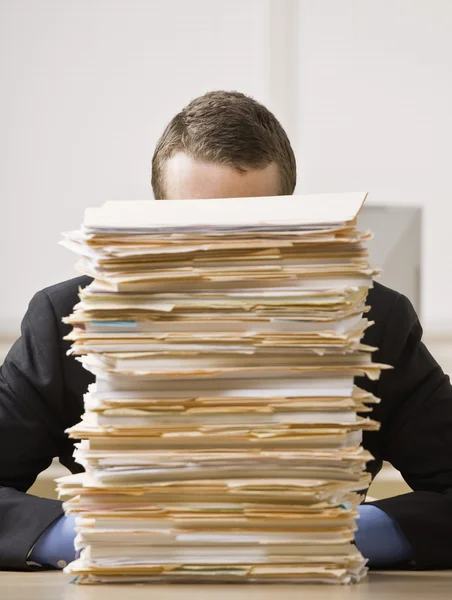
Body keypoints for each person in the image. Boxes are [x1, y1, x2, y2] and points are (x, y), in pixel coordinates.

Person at [1, 91, 452, 571]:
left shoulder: (373, 320)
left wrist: (342, 535)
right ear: (152, 216)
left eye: (246, 231)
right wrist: (82, 536)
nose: (216, 256)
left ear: (292, 219)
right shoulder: (67, 317)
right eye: (191, 227)